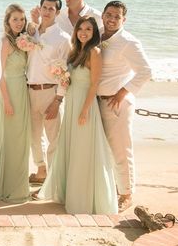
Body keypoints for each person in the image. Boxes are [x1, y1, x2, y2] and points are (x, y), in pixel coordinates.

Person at [38, 16, 118, 214]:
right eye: (80, 28)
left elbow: (94, 84)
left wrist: (85, 110)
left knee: (83, 150)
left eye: (88, 29)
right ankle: (68, 193)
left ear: (93, 33)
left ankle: (83, 199)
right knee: (72, 148)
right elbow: (69, 79)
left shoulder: (94, 52)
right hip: (72, 102)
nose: (83, 32)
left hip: (84, 105)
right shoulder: (76, 52)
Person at [97, 1, 152, 212]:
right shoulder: (98, 35)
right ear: (102, 15)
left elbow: (145, 71)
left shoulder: (129, 42)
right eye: (108, 14)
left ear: (123, 20)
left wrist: (123, 91)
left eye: (116, 16)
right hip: (97, 102)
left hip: (116, 102)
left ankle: (126, 194)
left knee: (121, 149)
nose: (111, 19)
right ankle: (112, 188)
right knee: (104, 150)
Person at [26, 0, 71, 185]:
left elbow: (65, 73)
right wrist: (32, 23)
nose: (46, 11)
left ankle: (54, 179)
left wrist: (58, 99)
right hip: (29, 90)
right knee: (34, 135)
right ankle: (41, 170)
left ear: (58, 12)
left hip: (50, 92)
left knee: (53, 137)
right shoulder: (32, 32)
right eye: (44, 7)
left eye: (51, 9)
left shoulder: (63, 38)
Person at [0, 4, 32, 204]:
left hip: (22, 91)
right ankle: (6, 185)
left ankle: (19, 185)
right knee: (8, 139)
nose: (19, 23)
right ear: (7, 22)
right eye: (15, 19)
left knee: (20, 139)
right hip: (8, 92)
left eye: (22, 19)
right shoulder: (5, 42)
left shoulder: (23, 41)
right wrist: (6, 101)